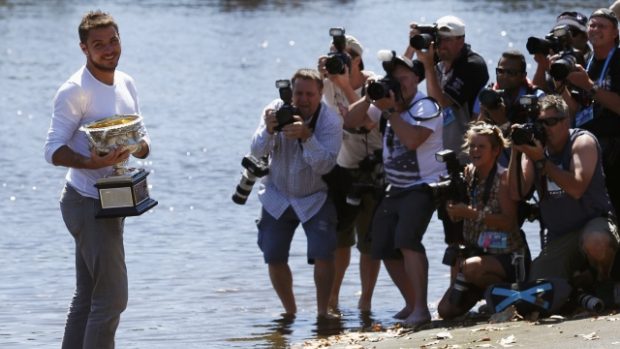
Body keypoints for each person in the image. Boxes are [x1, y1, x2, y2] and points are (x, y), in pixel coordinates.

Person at [43, 10, 151, 349]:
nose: (108, 50)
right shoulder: (75, 90)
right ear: (84, 49)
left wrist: (140, 147)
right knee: (112, 300)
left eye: (113, 41)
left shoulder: (126, 82)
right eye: (98, 44)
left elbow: (142, 137)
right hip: (86, 202)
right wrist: (89, 161)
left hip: (114, 200)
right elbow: (52, 150)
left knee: (88, 298)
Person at [347, 53, 444, 327]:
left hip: (424, 185)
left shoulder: (425, 106)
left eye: (403, 77)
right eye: (394, 78)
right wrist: (368, 97)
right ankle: (412, 304)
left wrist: (389, 111)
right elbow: (350, 122)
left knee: (406, 240)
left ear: (415, 78)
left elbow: (413, 141)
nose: (399, 83)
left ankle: (422, 310)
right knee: (383, 244)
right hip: (395, 187)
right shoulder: (387, 104)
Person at [250, 68, 342, 318]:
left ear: (320, 94)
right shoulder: (275, 110)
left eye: (309, 94)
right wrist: (269, 130)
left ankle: (323, 312)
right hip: (277, 195)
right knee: (273, 255)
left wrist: (306, 137)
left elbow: (325, 166)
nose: (303, 99)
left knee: (324, 252)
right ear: (291, 93)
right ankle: (290, 313)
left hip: (315, 196)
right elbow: (256, 152)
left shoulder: (330, 121)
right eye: (298, 93)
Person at [507, 95, 618, 287]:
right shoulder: (535, 149)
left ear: (566, 121)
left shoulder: (582, 142)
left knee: (596, 242)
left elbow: (576, 188)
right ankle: (580, 282)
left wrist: (542, 161)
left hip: (593, 223)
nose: (545, 128)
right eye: (540, 123)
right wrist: (517, 152)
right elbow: (517, 192)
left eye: (551, 122)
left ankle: (604, 281)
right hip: (561, 236)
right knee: (539, 285)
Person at [406, 15, 489, 253]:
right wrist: (413, 47)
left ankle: (464, 284)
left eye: (447, 40)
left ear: (461, 39)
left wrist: (429, 65)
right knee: (451, 237)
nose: (442, 46)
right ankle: (456, 284)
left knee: (463, 236)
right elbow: (403, 80)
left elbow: (440, 102)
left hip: (466, 160)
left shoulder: (472, 65)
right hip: (438, 160)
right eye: (438, 40)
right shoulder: (438, 61)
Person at [436, 122, 529, 320]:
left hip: (507, 257)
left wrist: (471, 214)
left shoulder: (503, 178)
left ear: (495, 150)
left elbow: (509, 222)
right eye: (472, 146)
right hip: (478, 254)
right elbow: (459, 215)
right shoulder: (468, 175)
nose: (475, 151)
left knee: (470, 267)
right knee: (445, 311)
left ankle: (507, 299)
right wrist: (453, 210)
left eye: (481, 146)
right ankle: (489, 297)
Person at [317, 35, 382, 312]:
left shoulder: (374, 84)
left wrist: (346, 86)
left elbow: (368, 122)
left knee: (368, 242)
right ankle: (332, 299)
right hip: (340, 169)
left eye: (344, 56)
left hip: (372, 169)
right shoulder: (327, 83)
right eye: (334, 55)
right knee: (339, 239)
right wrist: (320, 75)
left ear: (357, 59)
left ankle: (365, 301)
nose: (339, 61)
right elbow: (307, 101)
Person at [559, 8, 620, 220]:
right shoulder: (586, 60)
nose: (595, 29)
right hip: (589, 146)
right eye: (592, 25)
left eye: (602, 26)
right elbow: (576, 109)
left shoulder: (618, 61)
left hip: (615, 149)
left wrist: (590, 86)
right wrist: (561, 87)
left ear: (615, 33)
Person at [474, 50, 545, 166]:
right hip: (494, 169)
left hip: (526, 168)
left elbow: (537, 143)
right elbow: (476, 139)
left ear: (523, 76)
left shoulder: (537, 97)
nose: (504, 76)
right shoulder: (488, 95)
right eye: (500, 71)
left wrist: (503, 123)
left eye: (511, 73)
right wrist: (483, 115)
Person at [531, 11, 590, 94]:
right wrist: (542, 66)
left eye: (572, 32)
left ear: (586, 36)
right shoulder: (555, 59)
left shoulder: (594, 60)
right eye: (560, 35)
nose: (566, 39)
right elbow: (539, 95)